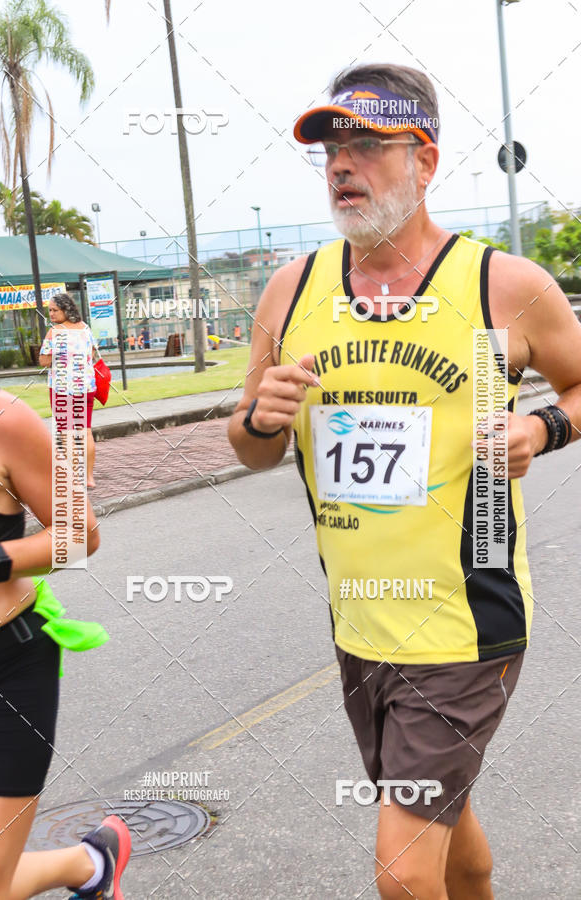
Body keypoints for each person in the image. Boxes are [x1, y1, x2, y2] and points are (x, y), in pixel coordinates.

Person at [228, 63, 581, 899]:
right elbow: (248, 448)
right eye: (329, 151)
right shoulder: (291, 288)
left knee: (402, 872)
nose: (342, 166)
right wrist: (261, 419)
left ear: (423, 161)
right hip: (359, 623)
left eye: (366, 146)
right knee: (446, 829)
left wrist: (542, 425)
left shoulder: (506, 286)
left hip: (467, 621)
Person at [0, 291, 131, 898]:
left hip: (2, 669)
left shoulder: (3, 423)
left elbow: (79, 535)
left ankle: (89, 863)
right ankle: (90, 866)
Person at [38, 294, 99, 489]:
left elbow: (44, 361)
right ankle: (89, 478)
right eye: (50, 310)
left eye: (55, 310)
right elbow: (91, 355)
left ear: (66, 310)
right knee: (86, 431)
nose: (52, 314)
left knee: (66, 433)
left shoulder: (54, 332)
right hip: (86, 387)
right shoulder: (85, 328)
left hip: (62, 389)